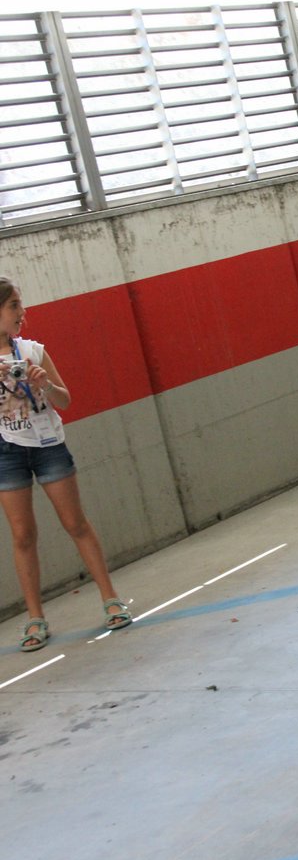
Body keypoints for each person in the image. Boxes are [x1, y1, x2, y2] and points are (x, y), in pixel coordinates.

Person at [0, 276, 132, 651]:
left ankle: (111, 599)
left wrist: (45, 385)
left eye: (19, 305)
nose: (21, 313)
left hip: (48, 446)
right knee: (23, 535)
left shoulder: (33, 350)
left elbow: (66, 400)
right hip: (6, 452)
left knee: (75, 522)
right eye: (13, 306)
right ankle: (35, 619)